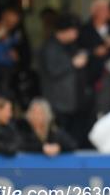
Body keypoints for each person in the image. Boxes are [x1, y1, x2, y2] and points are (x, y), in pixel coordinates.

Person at [39, 14, 95, 148]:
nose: (76, 34)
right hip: (59, 103)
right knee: (61, 135)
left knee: (75, 135)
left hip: (75, 102)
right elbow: (53, 70)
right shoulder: (50, 47)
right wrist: (73, 63)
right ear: (65, 31)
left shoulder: (71, 45)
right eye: (74, 31)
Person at [0, 6, 32, 102]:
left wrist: (18, 56)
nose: (10, 24)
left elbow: (26, 55)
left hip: (12, 72)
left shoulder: (19, 34)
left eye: (13, 21)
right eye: (8, 20)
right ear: (3, 17)